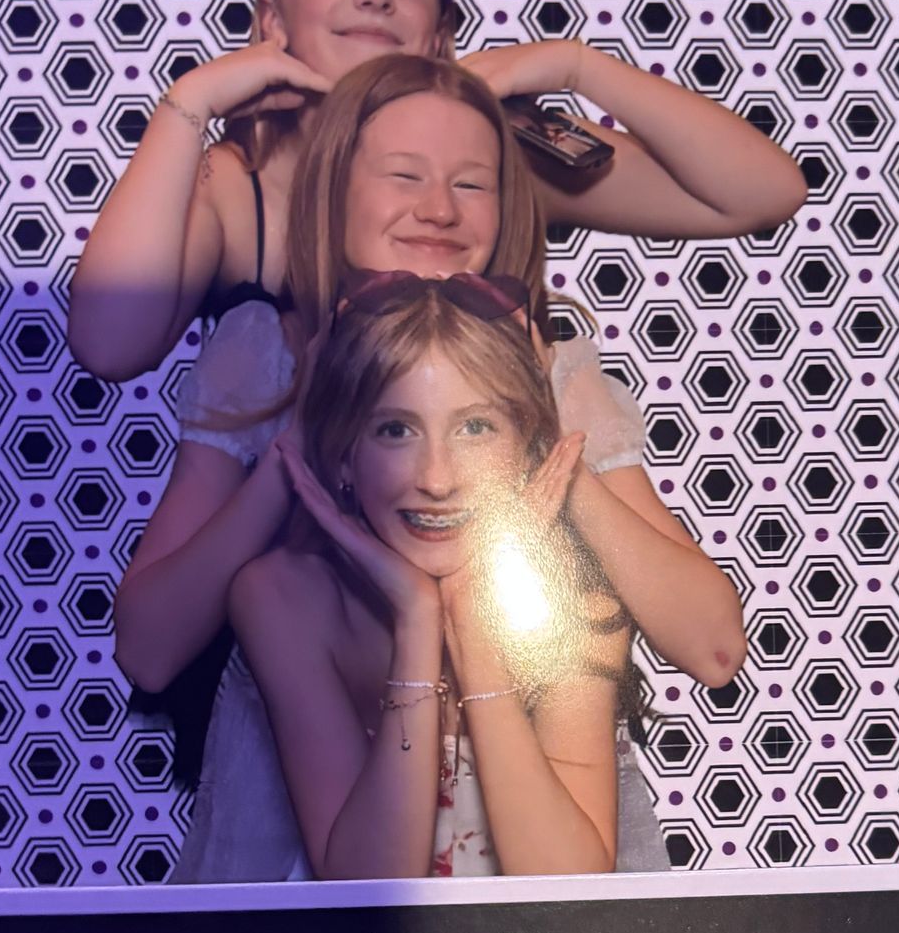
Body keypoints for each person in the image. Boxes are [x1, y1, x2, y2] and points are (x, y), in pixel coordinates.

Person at [111, 54, 738, 880]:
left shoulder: (555, 372)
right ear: (331, 193)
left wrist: (542, 448)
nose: (437, 208)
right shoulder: (265, 357)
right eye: (403, 176)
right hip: (310, 878)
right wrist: (304, 443)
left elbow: (713, 648)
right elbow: (151, 650)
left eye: (472, 184)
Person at [65, 0, 810, 382]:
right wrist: (187, 104)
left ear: (440, 36)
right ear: (272, 21)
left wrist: (576, 66)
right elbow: (108, 346)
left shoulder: (496, 156)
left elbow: (760, 194)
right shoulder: (236, 185)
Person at [234, 275, 657, 880]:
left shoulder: (581, 605)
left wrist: (470, 617)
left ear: (526, 448)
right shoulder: (282, 598)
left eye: (476, 427)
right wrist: (417, 618)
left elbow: (570, 891)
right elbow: (366, 890)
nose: (437, 478)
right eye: (395, 430)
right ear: (344, 455)